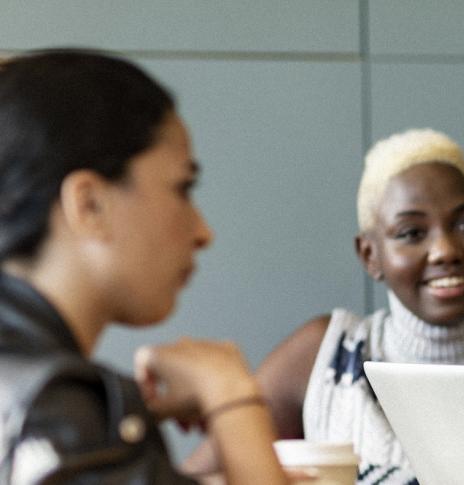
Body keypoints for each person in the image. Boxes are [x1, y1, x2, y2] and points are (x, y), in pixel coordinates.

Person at [185, 128, 464, 484]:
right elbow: (194, 477)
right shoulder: (324, 353)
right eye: (412, 233)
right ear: (370, 256)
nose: (446, 250)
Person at [0, 50, 288, 484]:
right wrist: (230, 395)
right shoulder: (57, 408)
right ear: (89, 204)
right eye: (182, 188)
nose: (203, 231)